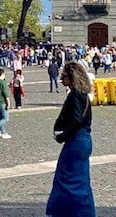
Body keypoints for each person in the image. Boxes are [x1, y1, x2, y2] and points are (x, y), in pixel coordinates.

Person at [46, 61, 95, 217]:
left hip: (77, 140)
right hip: (83, 140)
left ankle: (69, 212)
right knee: (79, 179)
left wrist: (61, 136)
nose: (61, 79)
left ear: (72, 77)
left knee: (68, 179)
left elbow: (76, 121)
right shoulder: (83, 95)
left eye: (64, 76)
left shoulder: (75, 96)